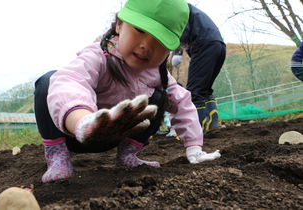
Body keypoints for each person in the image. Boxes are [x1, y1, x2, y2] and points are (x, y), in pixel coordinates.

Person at [34, 0, 221, 183]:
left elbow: (183, 104)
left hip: (116, 135)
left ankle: (127, 156)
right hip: (73, 133)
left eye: (160, 41)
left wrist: (194, 147)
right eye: (140, 30)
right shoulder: (97, 56)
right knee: (48, 82)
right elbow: (71, 82)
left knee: (160, 97)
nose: (147, 46)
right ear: (119, 25)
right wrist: (82, 122)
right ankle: (57, 158)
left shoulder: (157, 74)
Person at [171, 3, 226, 134]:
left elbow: (180, 28)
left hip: (203, 45)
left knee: (194, 92)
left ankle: (195, 133)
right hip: (219, 45)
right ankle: (212, 124)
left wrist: (177, 52)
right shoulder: (191, 9)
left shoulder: (177, 8)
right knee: (205, 90)